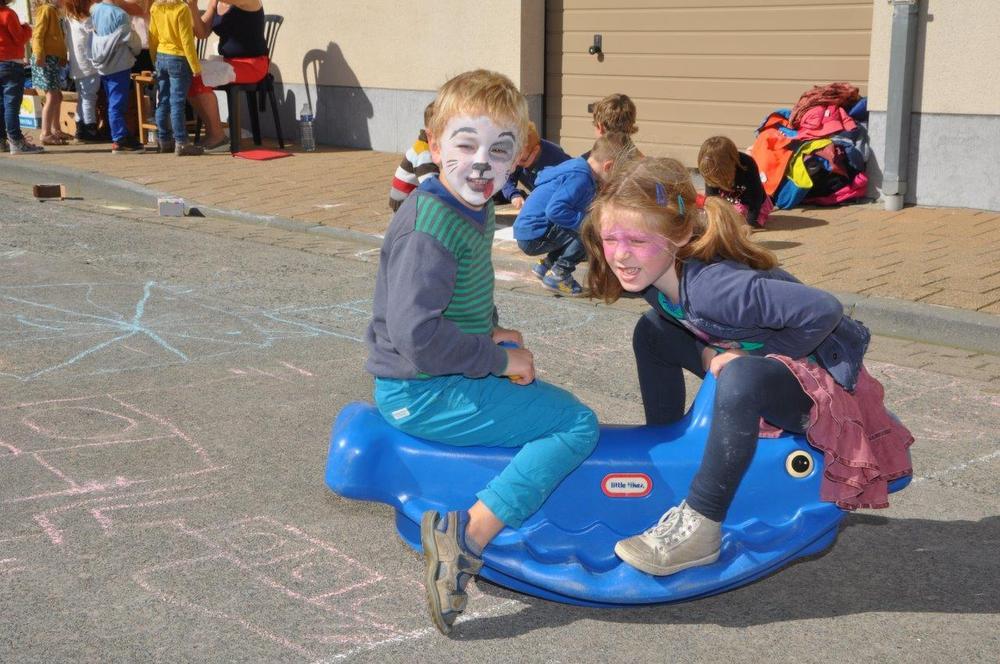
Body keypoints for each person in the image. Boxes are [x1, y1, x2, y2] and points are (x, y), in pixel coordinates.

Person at [581, 157, 913, 577]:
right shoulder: (654, 279)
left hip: (821, 388)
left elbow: (824, 310)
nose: (622, 255)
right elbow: (681, 324)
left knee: (740, 374)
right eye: (611, 238)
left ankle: (701, 524)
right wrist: (709, 353)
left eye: (638, 241)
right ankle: (668, 457)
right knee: (652, 331)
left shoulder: (717, 290)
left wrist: (751, 358)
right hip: (763, 363)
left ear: (680, 235)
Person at [366, 69, 599, 634]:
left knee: (538, 391)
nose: (480, 163)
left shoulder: (472, 205)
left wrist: (491, 332)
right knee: (575, 425)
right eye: (465, 144)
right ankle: (465, 536)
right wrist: (495, 360)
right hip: (421, 391)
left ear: (518, 155)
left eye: (499, 150)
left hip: (435, 377)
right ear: (434, 140)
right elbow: (417, 338)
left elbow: (456, 300)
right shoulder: (430, 227)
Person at [513, 131, 633, 296]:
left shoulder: (577, 167)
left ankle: (546, 266)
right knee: (591, 226)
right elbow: (555, 211)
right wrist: (588, 224)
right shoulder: (581, 177)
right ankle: (559, 273)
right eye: (616, 176)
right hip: (534, 236)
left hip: (529, 231)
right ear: (608, 166)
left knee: (583, 218)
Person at [188, 0, 267, 150]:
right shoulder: (216, 3)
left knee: (197, 75)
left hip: (252, 64)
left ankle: (217, 135)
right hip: (227, 61)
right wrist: (193, 7)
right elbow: (202, 32)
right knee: (187, 72)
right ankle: (213, 131)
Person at [149, 0, 203, 154]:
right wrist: (195, 66)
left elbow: (152, 36)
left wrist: (154, 60)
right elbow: (187, 41)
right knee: (177, 103)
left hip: (161, 56)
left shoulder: (155, 7)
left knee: (163, 100)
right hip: (178, 58)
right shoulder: (182, 8)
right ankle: (181, 142)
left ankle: (163, 140)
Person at [90, 0, 144, 152]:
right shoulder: (121, 14)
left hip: (102, 64)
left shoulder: (96, 11)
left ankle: (122, 135)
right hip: (119, 63)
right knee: (118, 103)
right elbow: (132, 41)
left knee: (112, 101)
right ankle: (120, 139)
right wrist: (137, 49)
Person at [698, 135, 772, 228]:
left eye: (720, 177)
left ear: (732, 164)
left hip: (752, 203)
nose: (717, 180)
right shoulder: (710, 168)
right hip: (730, 200)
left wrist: (750, 223)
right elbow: (712, 198)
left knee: (738, 222)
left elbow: (756, 198)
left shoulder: (747, 165)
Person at [0, 0, 43, 153]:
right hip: (10, 63)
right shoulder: (7, 14)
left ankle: (1, 141)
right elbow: (19, 38)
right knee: (11, 105)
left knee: (1, 105)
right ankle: (16, 141)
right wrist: (26, 28)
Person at [498, 121, 570, 210]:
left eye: (521, 160)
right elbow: (506, 179)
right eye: (513, 159)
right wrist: (514, 195)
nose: (516, 164)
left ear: (536, 150)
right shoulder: (519, 154)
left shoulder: (557, 159)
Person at [31, 0, 70, 145]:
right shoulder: (46, 10)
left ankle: (56, 129)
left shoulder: (55, 12)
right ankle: (45, 133)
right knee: (52, 96)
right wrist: (39, 54)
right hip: (45, 58)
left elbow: (59, 39)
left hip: (52, 58)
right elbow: (38, 34)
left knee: (57, 95)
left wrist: (62, 56)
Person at [388, 101, 437, 211]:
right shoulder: (424, 153)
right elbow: (431, 184)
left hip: (405, 198)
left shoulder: (423, 145)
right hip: (405, 201)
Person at [63, 0, 102, 142]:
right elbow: (96, 38)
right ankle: (90, 128)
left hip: (76, 63)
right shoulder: (87, 21)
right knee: (89, 98)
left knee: (82, 96)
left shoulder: (69, 19)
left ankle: (80, 128)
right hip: (89, 64)